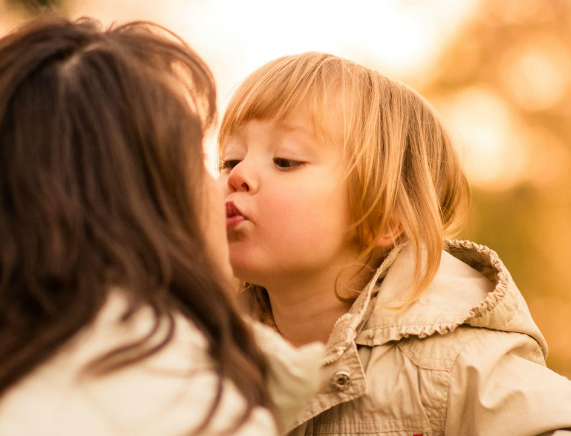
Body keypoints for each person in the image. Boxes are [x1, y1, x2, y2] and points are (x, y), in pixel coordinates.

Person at [0, 16, 324, 436]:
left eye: (285, 160)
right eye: (207, 159)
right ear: (139, 204)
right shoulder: (195, 408)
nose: (229, 184)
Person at [217, 52, 571, 436]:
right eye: (229, 160)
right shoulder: (199, 356)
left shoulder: (455, 364)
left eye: (285, 160)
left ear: (385, 217)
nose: (239, 175)